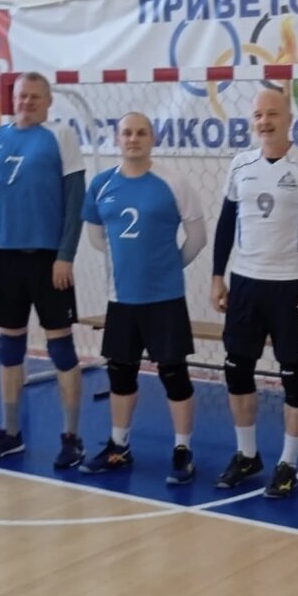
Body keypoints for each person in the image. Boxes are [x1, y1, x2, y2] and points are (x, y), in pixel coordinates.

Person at [210, 88, 298, 497]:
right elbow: (225, 223)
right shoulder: (240, 164)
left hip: (291, 285)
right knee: (237, 370)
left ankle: (288, 463)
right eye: (258, 115)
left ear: (289, 119)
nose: (264, 121)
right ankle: (247, 454)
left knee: (293, 376)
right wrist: (217, 276)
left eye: (273, 114)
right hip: (245, 282)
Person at [78, 112, 207, 484]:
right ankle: (119, 446)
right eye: (127, 133)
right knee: (120, 373)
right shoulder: (102, 184)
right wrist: (126, 264)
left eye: (141, 133)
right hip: (121, 298)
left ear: (152, 138)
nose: (133, 139)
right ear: (117, 139)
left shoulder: (173, 182)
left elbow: (197, 238)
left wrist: (168, 268)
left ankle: (182, 450)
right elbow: (96, 236)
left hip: (165, 298)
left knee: (174, 374)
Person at [0, 72, 87, 469]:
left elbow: (75, 201)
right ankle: (10, 433)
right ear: (13, 98)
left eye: (35, 96)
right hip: (6, 258)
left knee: (61, 348)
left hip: (49, 259)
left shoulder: (60, 136)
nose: (27, 102)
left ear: (48, 101)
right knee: (9, 347)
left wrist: (65, 255)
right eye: (22, 96)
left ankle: (71, 437)